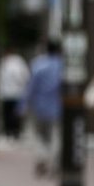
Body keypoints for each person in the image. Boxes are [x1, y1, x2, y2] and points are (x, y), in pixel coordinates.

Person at [21, 40, 63, 177]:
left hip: (39, 106)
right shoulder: (62, 66)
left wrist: (24, 104)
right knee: (55, 135)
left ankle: (42, 159)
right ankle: (53, 163)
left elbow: (30, 87)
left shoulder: (38, 65)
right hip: (58, 106)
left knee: (40, 135)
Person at [0, 47, 30, 141]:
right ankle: (12, 131)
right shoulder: (8, 62)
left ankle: (12, 131)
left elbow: (0, 78)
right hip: (12, 93)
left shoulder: (13, 62)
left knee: (10, 114)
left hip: (12, 93)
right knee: (12, 113)